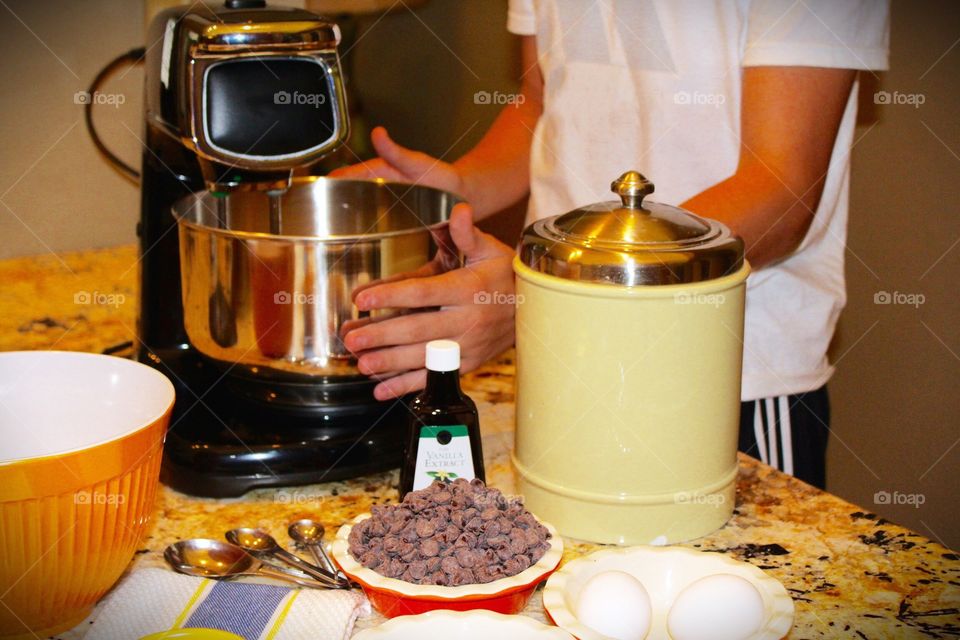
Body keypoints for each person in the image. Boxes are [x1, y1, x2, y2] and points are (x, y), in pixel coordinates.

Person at [333, 0, 890, 488]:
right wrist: (463, 187)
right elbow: (539, 101)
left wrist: (544, 293)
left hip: (719, 370)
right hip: (560, 360)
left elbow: (782, 190)